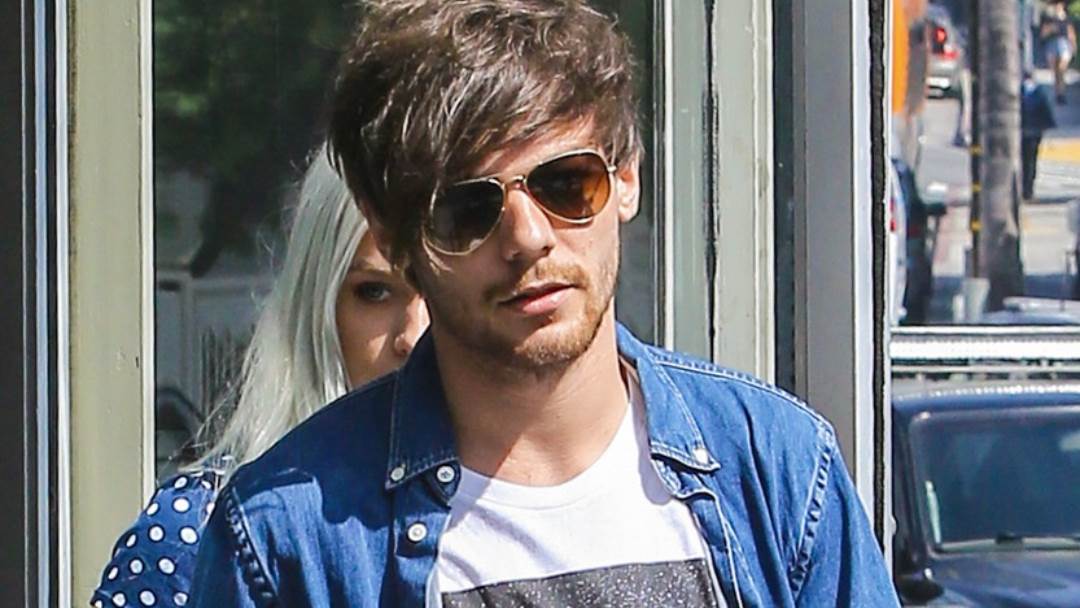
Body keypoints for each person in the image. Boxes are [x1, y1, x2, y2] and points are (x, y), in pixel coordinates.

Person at [191, 2, 899, 606]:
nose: (528, 237)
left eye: (566, 183)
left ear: (626, 177)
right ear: (396, 239)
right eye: (467, 210)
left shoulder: (775, 467)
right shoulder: (287, 537)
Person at [89, 144, 428, 608]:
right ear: (318, 304)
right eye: (374, 292)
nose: (413, 335)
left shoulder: (514, 528)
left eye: (439, 292)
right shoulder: (198, 534)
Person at [1021, 72, 1058, 201]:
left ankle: (1027, 190)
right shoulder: (1039, 92)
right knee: (1031, 161)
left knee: (1027, 161)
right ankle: (1028, 190)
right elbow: (1046, 112)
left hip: (1028, 133)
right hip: (1034, 133)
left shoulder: (1024, 91)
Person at [1040, 0, 1077, 104]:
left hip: (1064, 44)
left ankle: (1062, 92)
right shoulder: (1049, 19)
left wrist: (1074, 46)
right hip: (1052, 43)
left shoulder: (1067, 19)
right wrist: (1050, 29)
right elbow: (1043, 34)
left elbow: (1071, 33)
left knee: (1061, 69)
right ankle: (1058, 93)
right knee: (1055, 72)